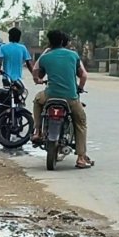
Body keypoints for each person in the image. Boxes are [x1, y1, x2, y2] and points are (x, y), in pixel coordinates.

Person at [31, 30, 92, 169]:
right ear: (64, 42)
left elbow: (36, 72)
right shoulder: (73, 55)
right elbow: (83, 75)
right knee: (81, 122)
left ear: (49, 42)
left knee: (37, 100)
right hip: (70, 98)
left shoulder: (45, 57)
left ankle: (37, 131)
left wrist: (38, 79)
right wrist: (80, 88)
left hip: (50, 96)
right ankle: (81, 158)